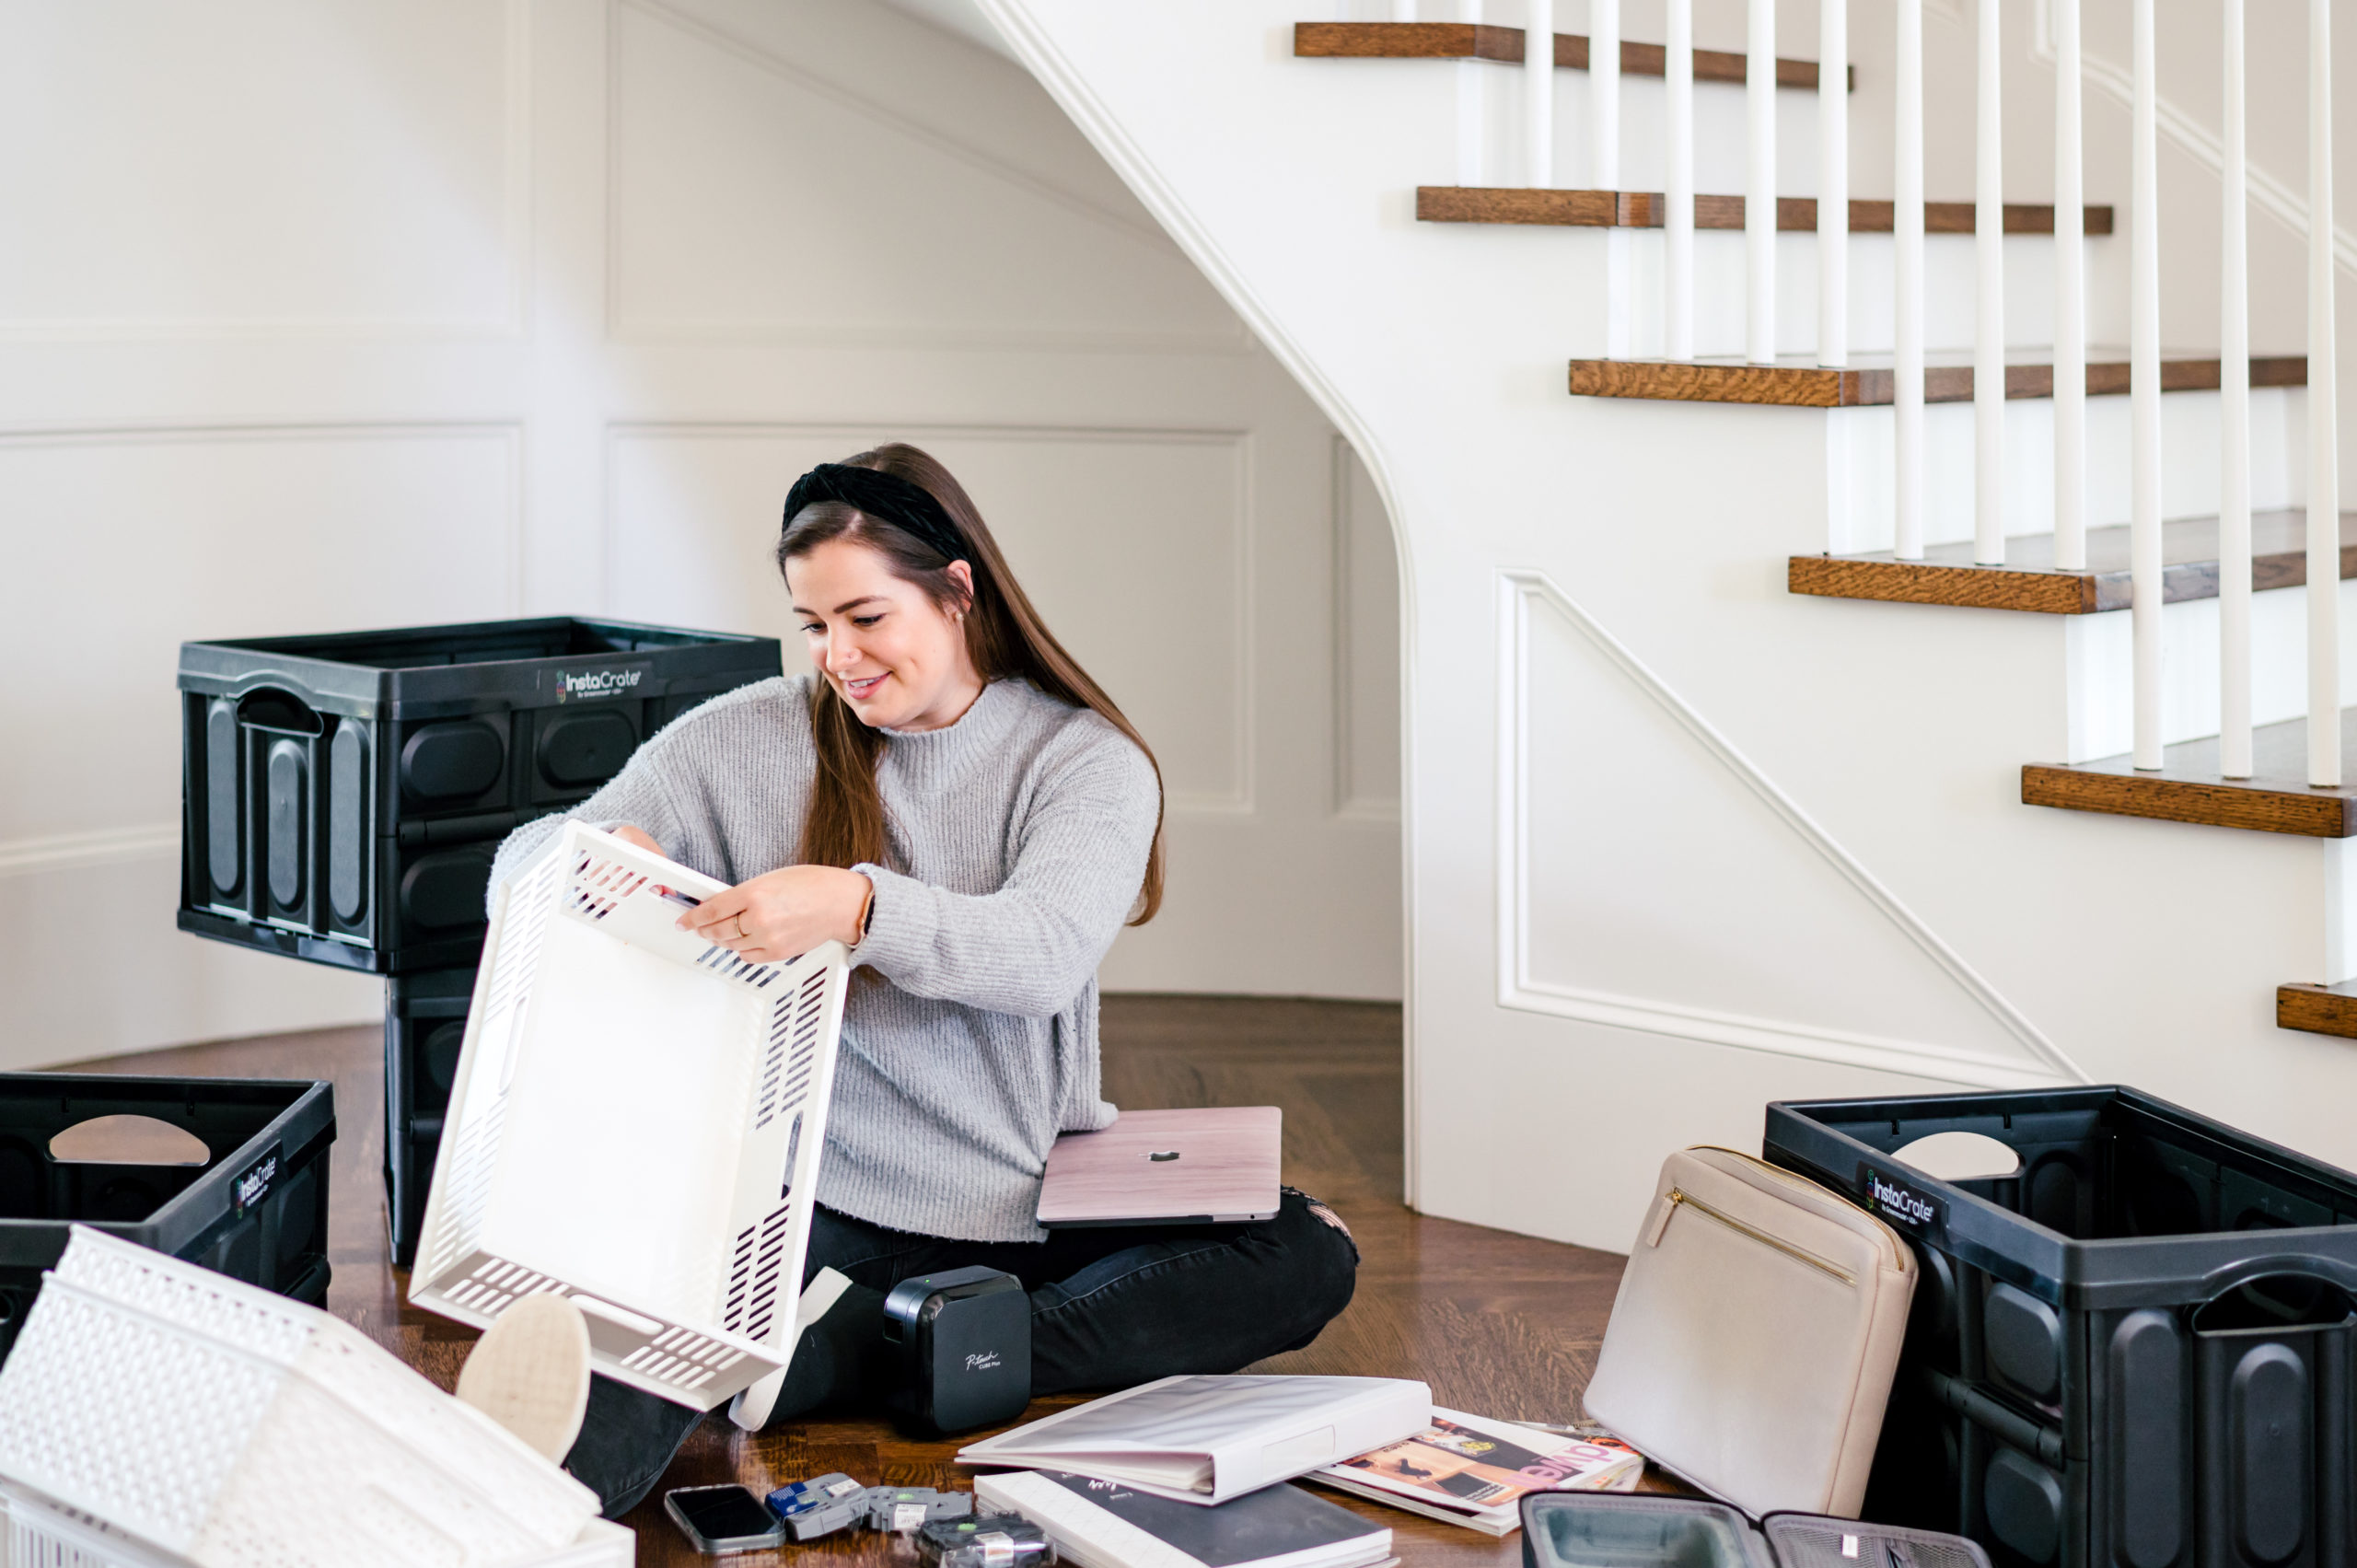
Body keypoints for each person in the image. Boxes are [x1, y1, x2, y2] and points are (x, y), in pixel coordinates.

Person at [484, 443, 1359, 1516]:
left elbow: (1041, 952)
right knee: (636, 1321)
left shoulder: (1081, 761)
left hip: (1029, 1202)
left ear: (956, 592)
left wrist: (857, 908)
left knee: (1305, 1251)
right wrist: (582, 855)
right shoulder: (746, 738)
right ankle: (508, 1523)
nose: (838, 657)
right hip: (811, 1190)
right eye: (813, 626)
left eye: (865, 617)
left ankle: (868, 1351)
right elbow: (517, 868)